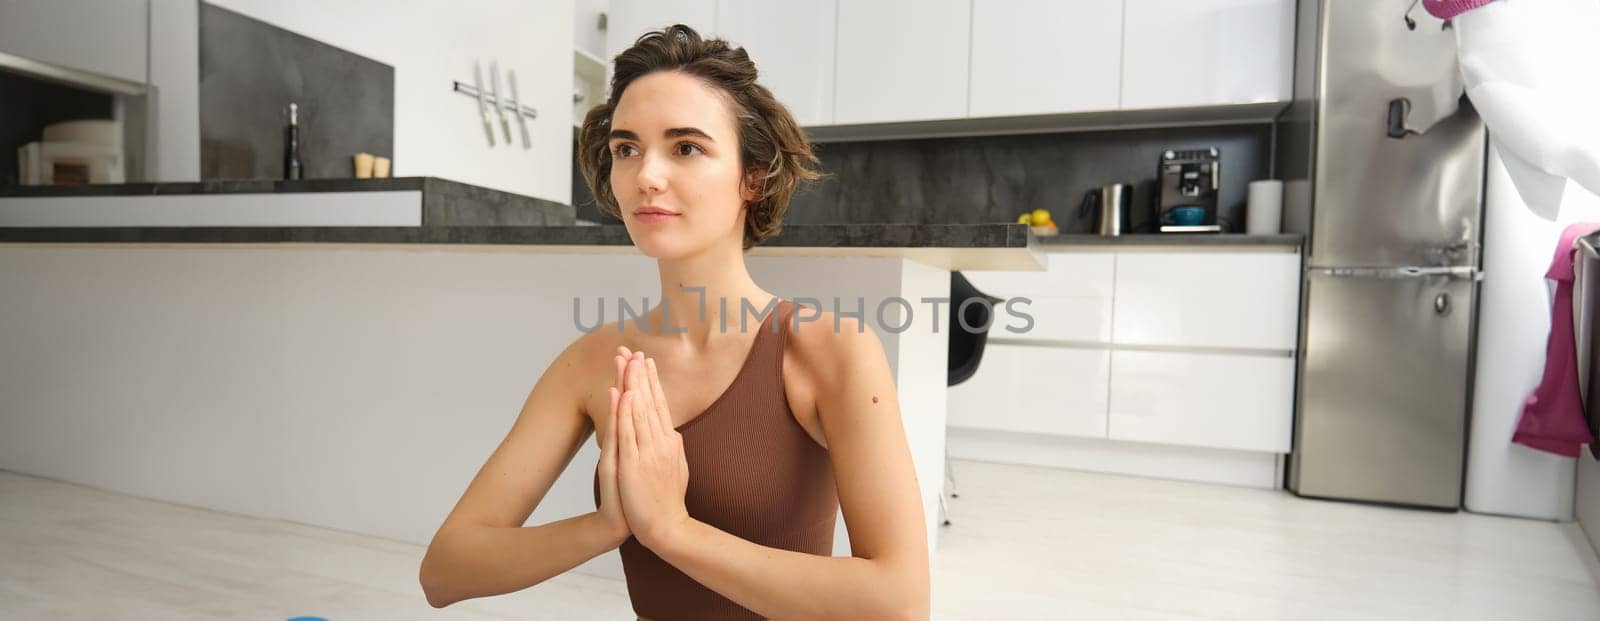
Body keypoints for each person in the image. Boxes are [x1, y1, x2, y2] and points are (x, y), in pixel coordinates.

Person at [418, 24, 931, 620]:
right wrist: (605, 525)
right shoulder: (591, 362)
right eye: (626, 148)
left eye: (686, 147)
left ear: (753, 178)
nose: (646, 176)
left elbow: (900, 602)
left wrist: (671, 530)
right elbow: (444, 570)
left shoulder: (828, 349)